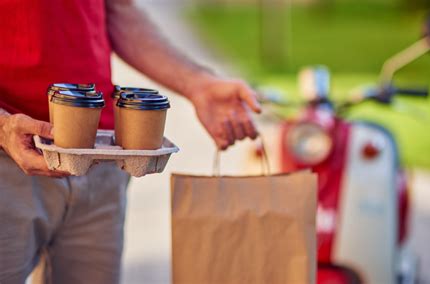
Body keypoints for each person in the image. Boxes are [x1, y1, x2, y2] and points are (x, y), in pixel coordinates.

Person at [0, 0, 260, 283]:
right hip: (9, 159)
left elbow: (116, 9)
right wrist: (2, 128)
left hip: (98, 158)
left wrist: (198, 83)